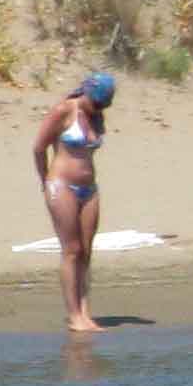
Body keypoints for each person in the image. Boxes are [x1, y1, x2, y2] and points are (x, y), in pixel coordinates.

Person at [28, 71, 117, 336]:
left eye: (103, 106)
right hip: (61, 184)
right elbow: (38, 147)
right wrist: (46, 181)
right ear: (85, 93)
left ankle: (86, 312)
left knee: (87, 251)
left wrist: (98, 112)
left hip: (89, 188)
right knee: (71, 250)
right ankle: (74, 315)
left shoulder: (97, 115)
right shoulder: (64, 110)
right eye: (96, 103)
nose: (98, 109)